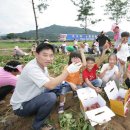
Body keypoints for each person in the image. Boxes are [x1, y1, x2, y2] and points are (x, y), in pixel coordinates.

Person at [10, 43, 82, 130]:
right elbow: (50, 86)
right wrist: (67, 71)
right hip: (22, 106)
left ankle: (45, 107)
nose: (48, 58)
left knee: (60, 86)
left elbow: (48, 78)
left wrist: (66, 82)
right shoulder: (32, 68)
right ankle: (38, 125)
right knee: (51, 97)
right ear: (36, 54)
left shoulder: (42, 64)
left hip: (34, 97)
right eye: (45, 55)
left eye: (51, 55)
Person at [58, 46, 87, 114]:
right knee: (62, 92)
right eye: (73, 58)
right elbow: (63, 78)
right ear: (70, 59)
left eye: (77, 58)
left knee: (81, 91)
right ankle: (61, 105)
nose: (75, 59)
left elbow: (85, 64)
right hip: (68, 83)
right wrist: (71, 84)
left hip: (77, 84)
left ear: (80, 59)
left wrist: (82, 53)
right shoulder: (67, 67)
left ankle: (75, 93)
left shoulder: (80, 66)